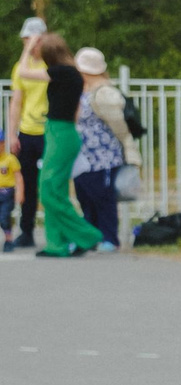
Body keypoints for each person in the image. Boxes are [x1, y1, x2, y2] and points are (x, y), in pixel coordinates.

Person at [31, 35, 102, 258]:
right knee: (56, 190)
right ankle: (56, 243)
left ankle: (87, 235)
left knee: (48, 190)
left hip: (61, 133)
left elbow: (23, 73)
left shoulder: (62, 72)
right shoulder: (71, 73)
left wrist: (28, 48)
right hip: (60, 131)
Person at [70, 47, 137, 249]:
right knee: (85, 196)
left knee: (103, 197)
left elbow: (119, 126)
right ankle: (90, 236)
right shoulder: (83, 90)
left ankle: (109, 237)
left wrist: (129, 149)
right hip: (83, 156)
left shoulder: (104, 91)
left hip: (103, 156)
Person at [5, 16, 46, 251]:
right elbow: (16, 103)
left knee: (52, 185)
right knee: (28, 185)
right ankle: (27, 231)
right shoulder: (20, 68)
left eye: (34, 40)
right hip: (28, 132)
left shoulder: (50, 64)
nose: (29, 44)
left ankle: (57, 231)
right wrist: (12, 134)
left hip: (49, 131)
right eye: (26, 40)